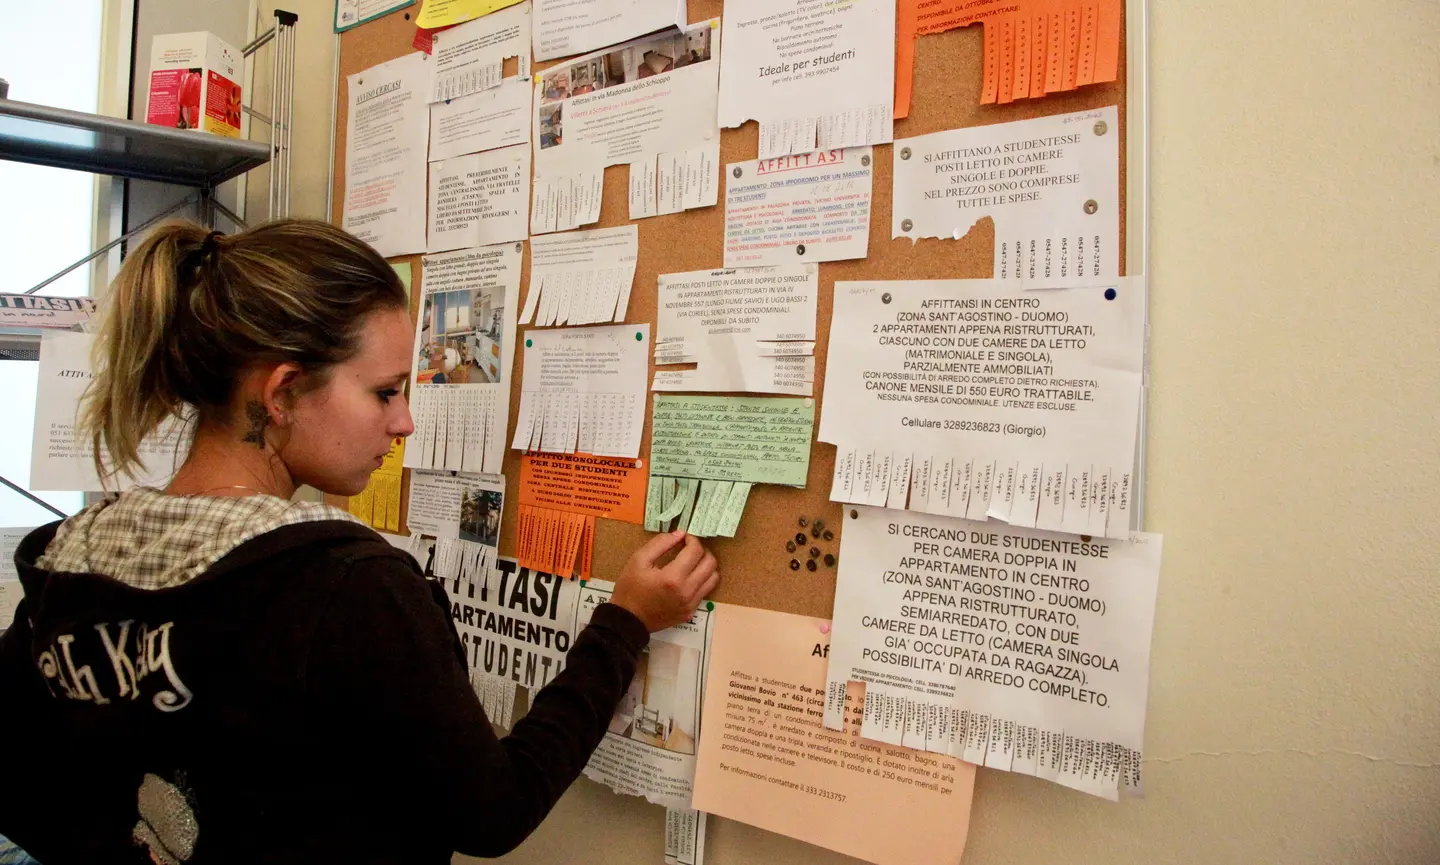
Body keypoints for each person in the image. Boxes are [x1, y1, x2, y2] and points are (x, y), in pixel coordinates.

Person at [0, 219, 718, 864]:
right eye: (384, 391)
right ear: (280, 394)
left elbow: (23, 796)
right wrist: (622, 626)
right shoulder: (347, 586)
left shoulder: (68, 563)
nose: (404, 421)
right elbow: (494, 810)